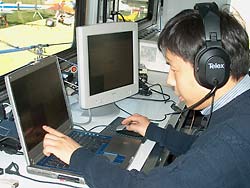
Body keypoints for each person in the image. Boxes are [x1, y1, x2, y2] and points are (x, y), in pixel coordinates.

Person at [43, 3, 250, 188]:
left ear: (211, 69)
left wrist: (78, 156)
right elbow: (202, 147)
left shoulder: (232, 139)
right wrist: (154, 132)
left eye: (174, 68)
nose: (169, 81)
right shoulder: (238, 112)